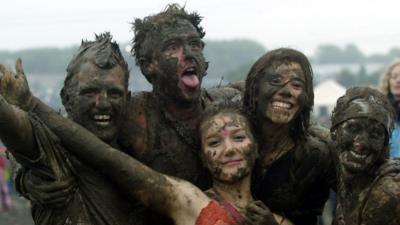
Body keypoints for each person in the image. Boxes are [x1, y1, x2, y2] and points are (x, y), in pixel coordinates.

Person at [0, 57, 290, 225]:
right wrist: (30, 104)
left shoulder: (280, 216)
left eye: (238, 138)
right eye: (214, 143)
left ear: (257, 145)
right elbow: (108, 159)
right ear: (201, 155)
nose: (228, 149)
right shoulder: (188, 200)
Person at [0, 33, 144, 225]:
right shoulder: (54, 145)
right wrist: (25, 179)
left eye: (114, 93)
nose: (103, 103)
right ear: (66, 98)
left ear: (127, 98)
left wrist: (22, 180)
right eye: (90, 92)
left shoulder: (142, 144)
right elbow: (19, 130)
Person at [243, 48, 336, 225]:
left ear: (305, 99)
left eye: (296, 85)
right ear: (255, 92)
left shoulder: (315, 156)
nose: (286, 92)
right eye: (276, 81)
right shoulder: (232, 146)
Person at [330, 86, 400, 225]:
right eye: (353, 128)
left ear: (384, 145)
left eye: (375, 135)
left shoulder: (387, 191)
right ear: (334, 132)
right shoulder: (339, 160)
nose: (361, 144)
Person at [379, 59, 400, 157]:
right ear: (388, 80)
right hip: (386, 168)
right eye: (394, 77)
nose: (398, 80)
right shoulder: (379, 110)